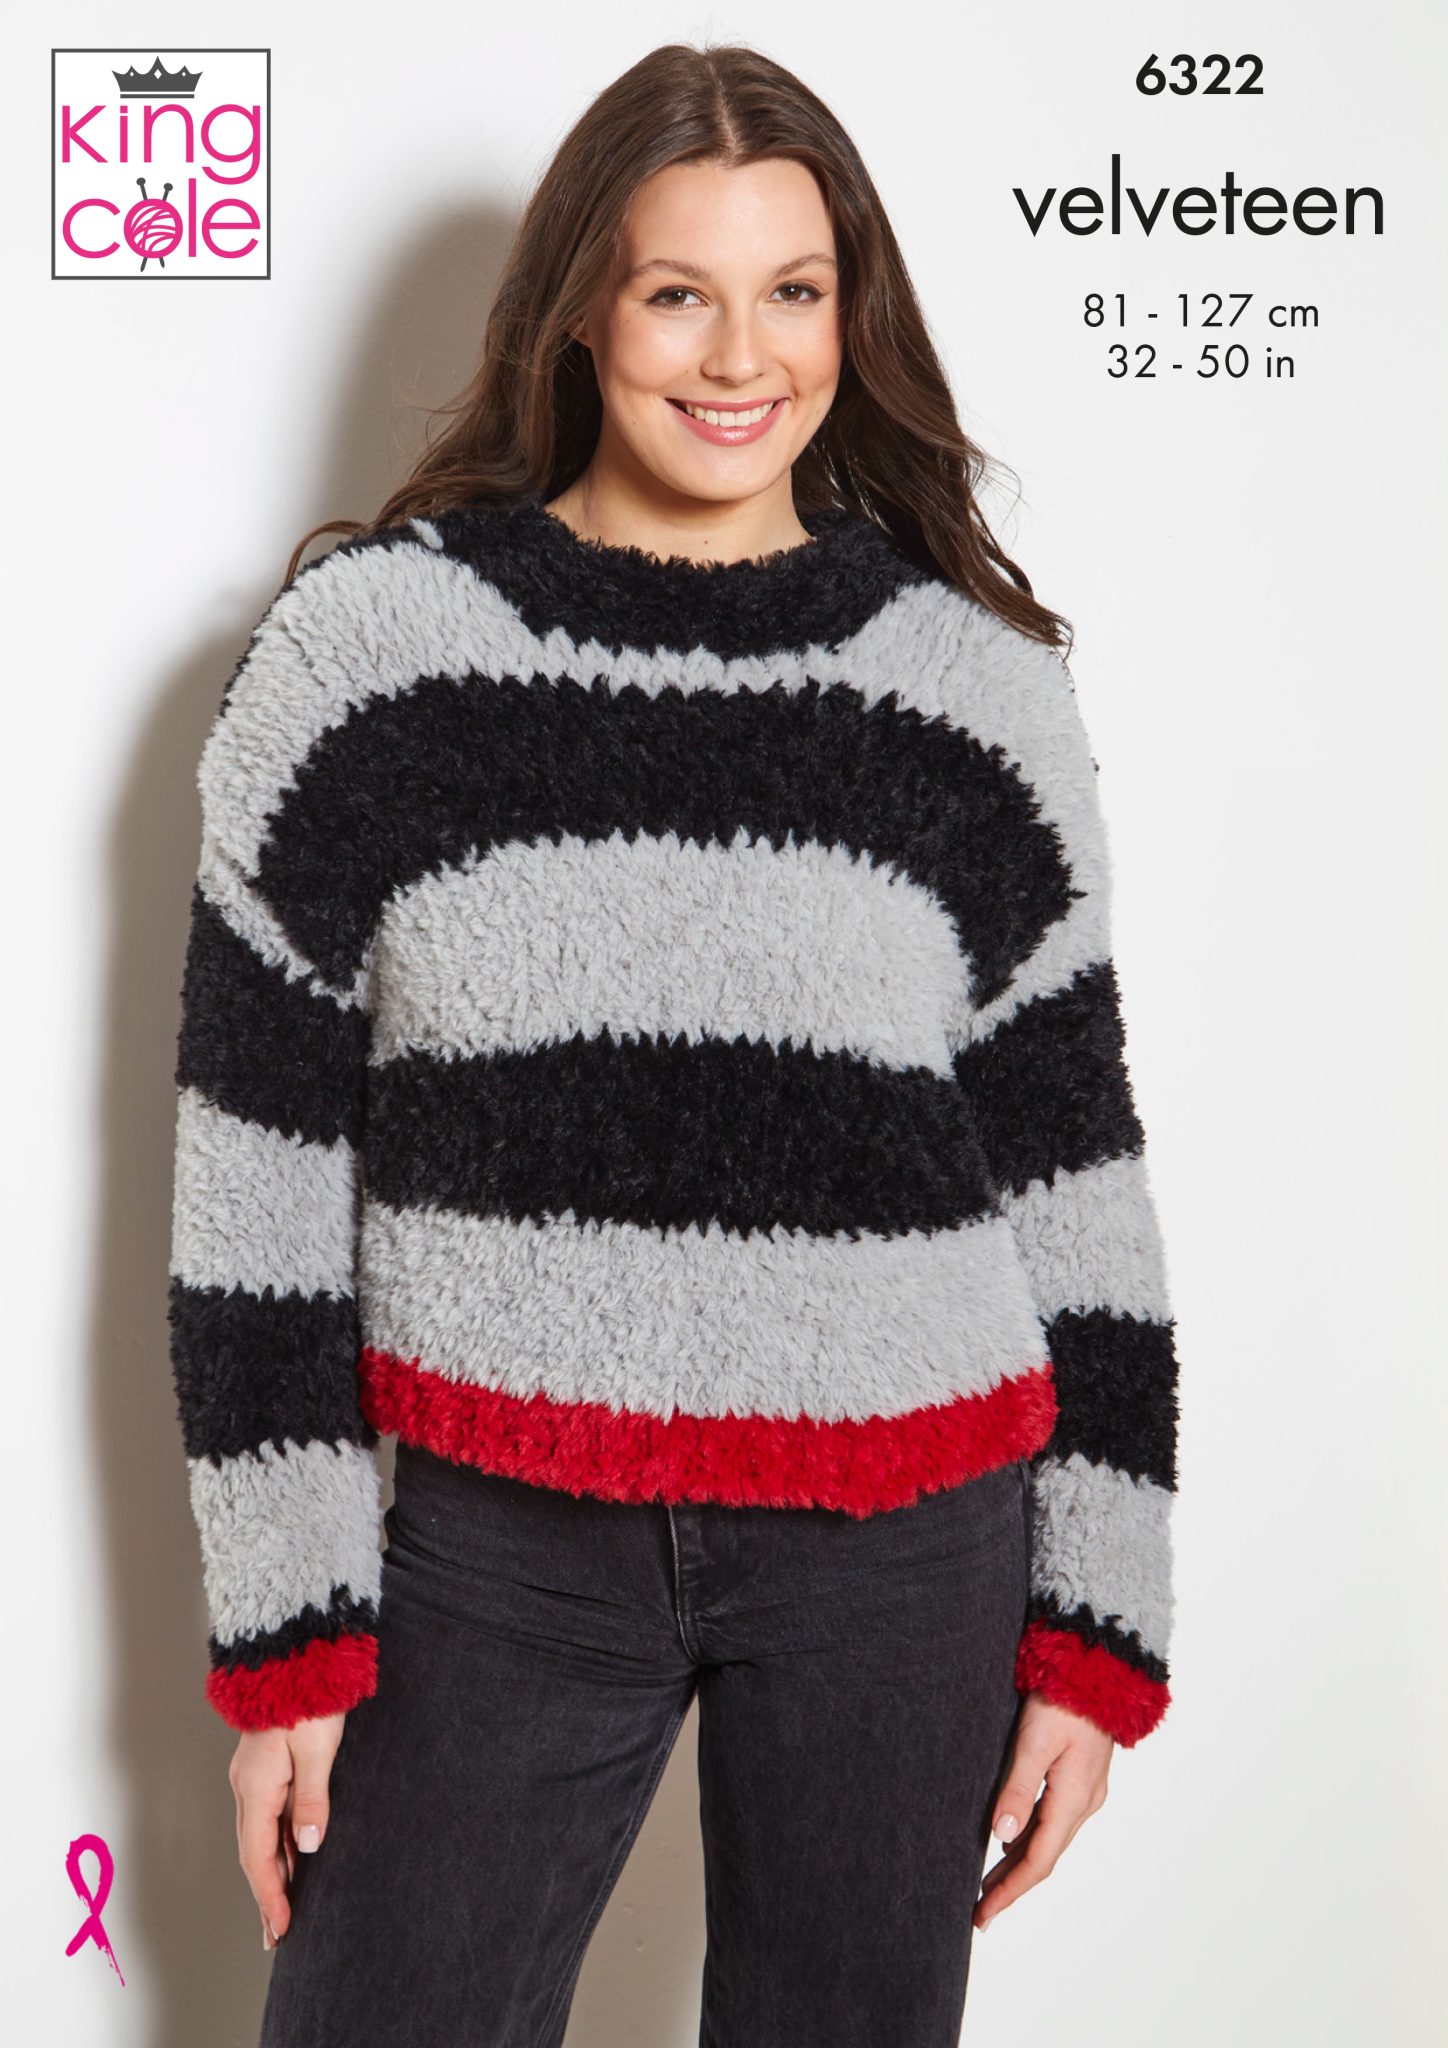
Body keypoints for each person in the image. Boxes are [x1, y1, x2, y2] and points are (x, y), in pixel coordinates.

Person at [166, 40, 1180, 2047]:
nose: (741, 354)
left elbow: (1076, 1168)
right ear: (579, 313)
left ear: (851, 313)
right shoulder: (370, 656)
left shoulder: (971, 683)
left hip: (911, 1538)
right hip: (503, 1532)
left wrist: (1097, 1627)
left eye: (793, 290)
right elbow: (253, 1174)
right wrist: (287, 1644)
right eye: (674, 292)